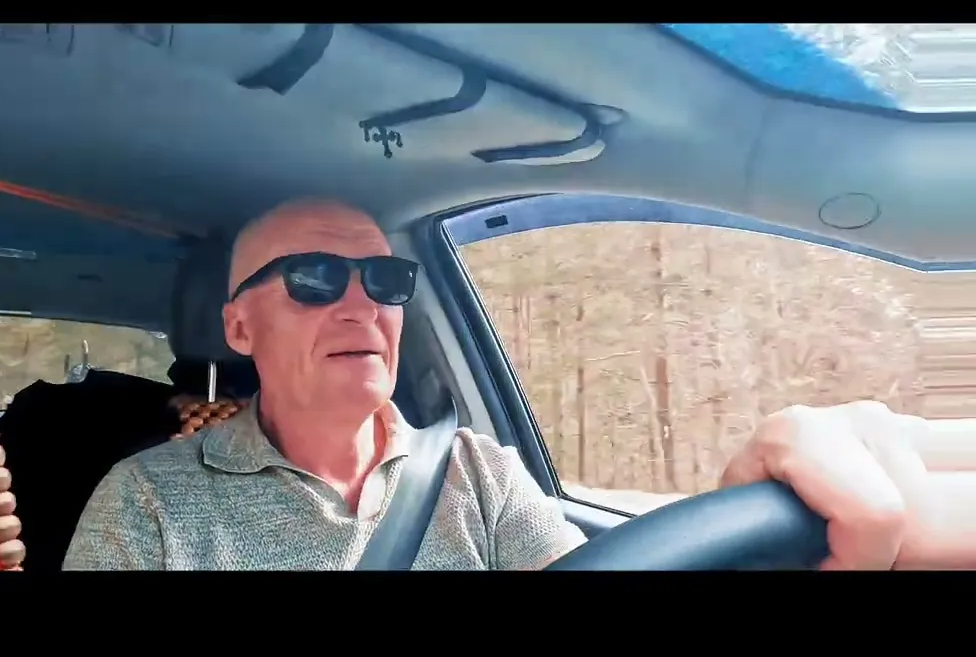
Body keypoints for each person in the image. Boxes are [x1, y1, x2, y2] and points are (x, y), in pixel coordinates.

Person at [63, 199, 976, 570]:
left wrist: (774, 509)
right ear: (239, 328)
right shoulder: (147, 502)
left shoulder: (474, 471)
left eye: (386, 280)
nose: (360, 304)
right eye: (314, 279)